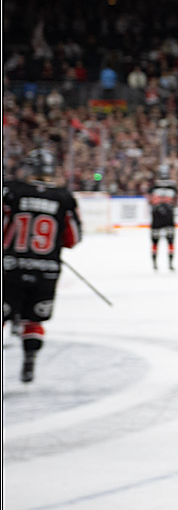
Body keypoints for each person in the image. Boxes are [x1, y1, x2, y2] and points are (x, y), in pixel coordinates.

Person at [3, 149, 82, 383]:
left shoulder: (12, 192)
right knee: (34, 319)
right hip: (46, 269)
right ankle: (29, 361)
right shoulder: (64, 198)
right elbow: (73, 239)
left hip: (11, 267)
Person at [148, 163, 178, 271]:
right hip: (168, 216)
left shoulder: (154, 186)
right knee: (170, 241)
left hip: (156, 216)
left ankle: (154, 264)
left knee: (155, 241)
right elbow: (176, 201)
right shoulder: (172, 187)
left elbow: (149, 200)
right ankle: (170, 264)